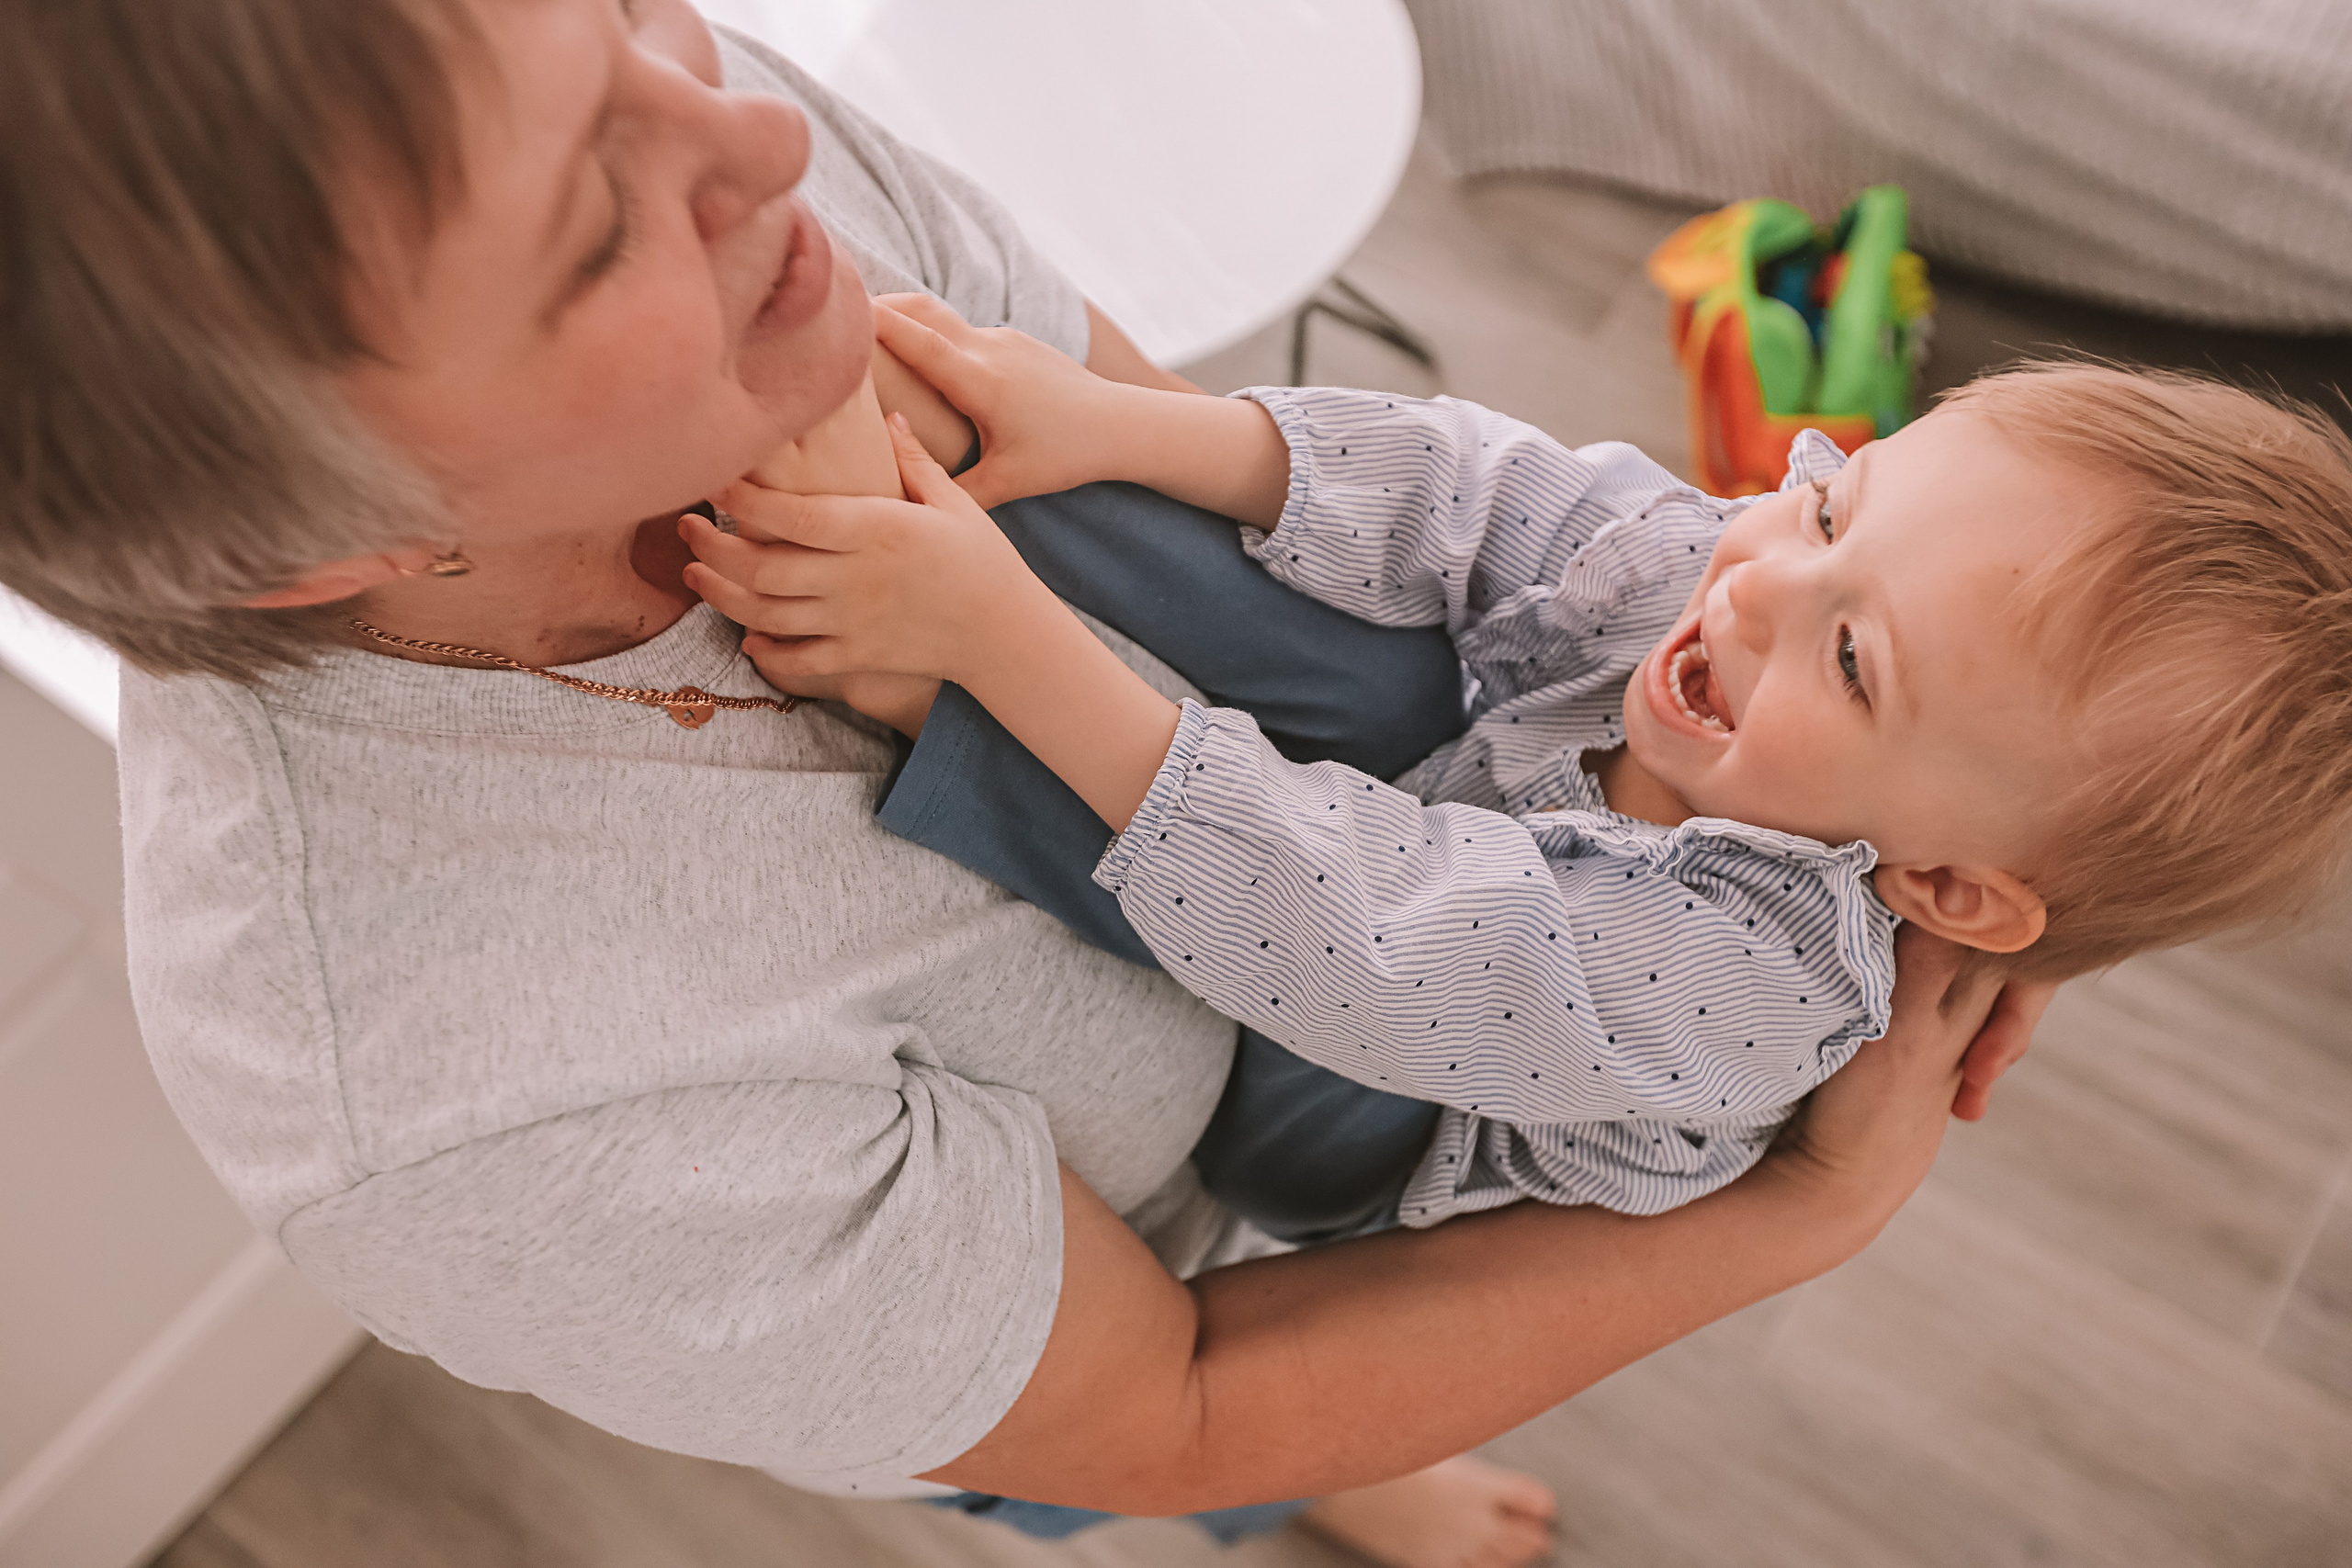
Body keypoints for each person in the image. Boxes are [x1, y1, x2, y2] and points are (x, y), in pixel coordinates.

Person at [0, 2, 2049, 1561]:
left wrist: (1902, 781)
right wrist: (1801, 1207)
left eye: (630, 4)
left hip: (1464, 921)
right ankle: (1363, 1484)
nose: (762, 126)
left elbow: (1285, 552)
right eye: (593, 225)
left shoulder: (729, 188)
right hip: (1223, 1276)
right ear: (328, 539)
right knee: (1259, 1423)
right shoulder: (467, 1104)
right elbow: (1164, 1396)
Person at [695, 308, 2352, 1247]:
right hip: (1455, 800)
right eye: (1836, 505)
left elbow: (1371, 938)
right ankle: (1007, 476)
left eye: (1854, 661)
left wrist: (996, 653)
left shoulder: (1749, 990)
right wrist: (1126, 429)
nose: (1756, 578)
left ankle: (930, 682)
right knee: (1402, 635)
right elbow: (1482, 491)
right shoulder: (1742, 581)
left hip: (1376, 1110)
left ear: (1941, 886)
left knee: (1312, 911)